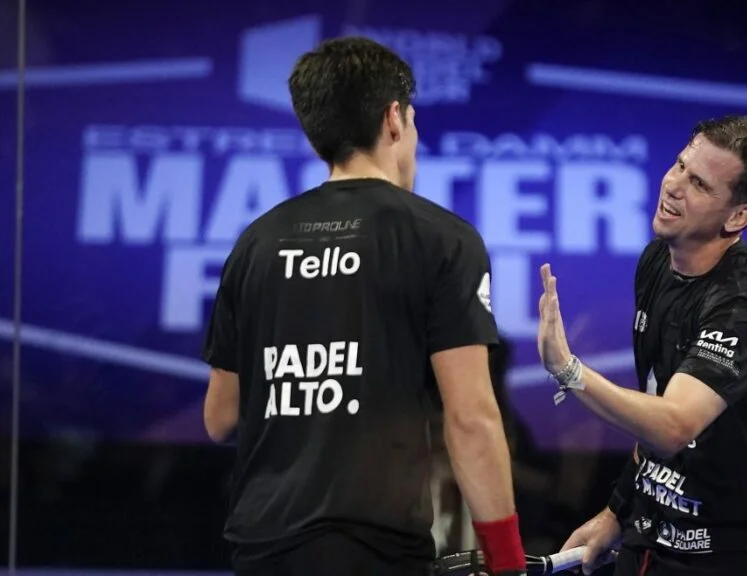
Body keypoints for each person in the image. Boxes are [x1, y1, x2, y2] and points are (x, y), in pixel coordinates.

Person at [201, 36, 526, 576]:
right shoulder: (441, 238)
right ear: (394, 119)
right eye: (415, 122)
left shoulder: (256, 242)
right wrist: (507, 561)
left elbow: (219, 416)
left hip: (261, 547)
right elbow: (470, 418)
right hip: (374, 550)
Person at [537, 116, 747, 575]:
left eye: (699, 183)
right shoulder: (657, 262)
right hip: (654, 538)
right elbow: (654, 405)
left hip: (735, 556)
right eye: (680, 164)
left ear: (738, 216)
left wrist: (568, 369)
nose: (674, 185)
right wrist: (617, 512)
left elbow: (674, 425)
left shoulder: (745, 302)